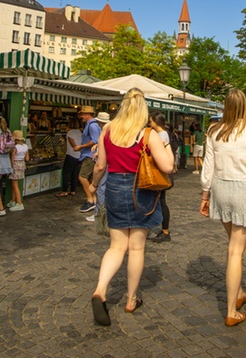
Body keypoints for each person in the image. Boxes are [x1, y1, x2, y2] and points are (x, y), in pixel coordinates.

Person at [88, 88, 173, 326]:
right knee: (136, 249)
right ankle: (131, 299)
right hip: (140, 190)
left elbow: (100, 166)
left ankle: (100, 291)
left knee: (116, 246)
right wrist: (164, 141)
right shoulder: (148, 134)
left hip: (114, 186)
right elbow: (167, 167)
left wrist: (94, 186)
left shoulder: (107, 130)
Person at [199, 88, 246, 327]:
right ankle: (231, 310)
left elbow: (208, 167)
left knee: (233, 245)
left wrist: (205, 194)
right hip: (245, 191)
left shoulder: (214, 131)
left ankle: (239, 291)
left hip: (221, 190)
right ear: (245, 107)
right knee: (235, 251)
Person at [149, 112, 173, 243]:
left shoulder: (161, 135)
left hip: (160, 173)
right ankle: (163, 229)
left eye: (151, 121)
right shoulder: (161, 133)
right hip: (161, 172)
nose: (149, 123)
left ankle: (165, 231)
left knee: (161, 201)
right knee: (160, 201)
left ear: (155, 122)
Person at [74, 105, 101, 213]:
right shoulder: (92, 125)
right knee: (90, 178)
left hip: (89, 155)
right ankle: (94, 199)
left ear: (88, 115)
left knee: (82, 177)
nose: (81, 117)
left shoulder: (92, 126)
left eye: (83, 114)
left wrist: (80, 146)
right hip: (90, 155)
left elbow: (94, 141)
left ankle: (90, 200)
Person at [57, 122, 82, 197]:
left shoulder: (70, 133)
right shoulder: (80, 132)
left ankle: (65, 190)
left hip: (71, 155)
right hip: (79, 156)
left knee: (66, 173)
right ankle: (73, 190)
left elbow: (72, 143)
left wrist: (75, 147)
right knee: (75, 173)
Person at [7, 130, 29, 212]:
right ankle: (13, 201)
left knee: (14, 185)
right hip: (22, 165)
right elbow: (27, 158)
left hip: (15, 165)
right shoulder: (25, 146)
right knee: (15, 184)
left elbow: (12, 159)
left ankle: (19, 203)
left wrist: (10, 168)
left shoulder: (15, 148)